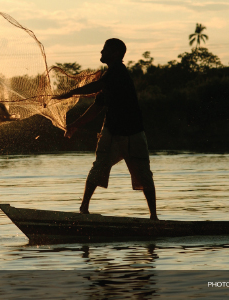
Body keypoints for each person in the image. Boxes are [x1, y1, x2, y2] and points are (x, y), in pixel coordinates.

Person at [52, 38, 158, 220]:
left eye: (105, 50)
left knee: (143, 172)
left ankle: (154, 218)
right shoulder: (110, 77)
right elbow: (96, 107)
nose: (101, 53)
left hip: (132, 133)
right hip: (111, 132)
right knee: (98, 167)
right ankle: (83, 210)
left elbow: (97, 86)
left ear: (115, 53)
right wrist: (74, 125)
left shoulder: (117, 72)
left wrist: (70, 92)